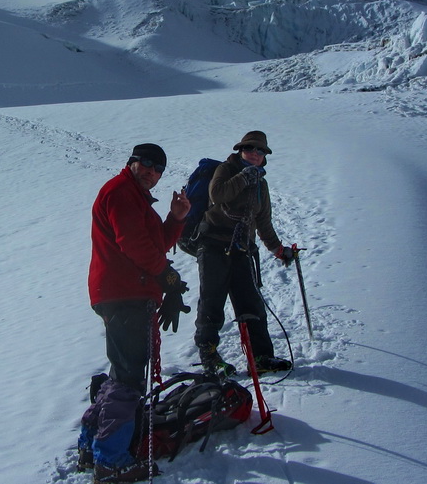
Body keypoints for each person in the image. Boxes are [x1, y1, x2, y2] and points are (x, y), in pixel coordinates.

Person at [79, 143, 191, 483]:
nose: (152, 173)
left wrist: (176, 218)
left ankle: (91, 448)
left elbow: (154, 241)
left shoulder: (135, 197)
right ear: (131, 162)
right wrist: (166, 276)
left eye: (158, 169)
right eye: (146, 164)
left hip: (125, 293)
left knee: (120, 375)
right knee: (128, 379)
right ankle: (110, 462)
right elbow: (135, 244)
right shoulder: (120, 192)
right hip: (124, 293)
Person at [192, 131, 294, 375]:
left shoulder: (261, 184)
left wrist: (278, 250)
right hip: (213, 245)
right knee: (212, 303)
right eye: (250, 148)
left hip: (242, 249)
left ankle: (260, 358)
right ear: (241, 149)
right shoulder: (226, 170)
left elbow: (263, 222)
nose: (255, 154)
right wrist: (244, 176)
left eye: (260, 151)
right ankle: (210, 360)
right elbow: (217, 196)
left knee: (251, 304)